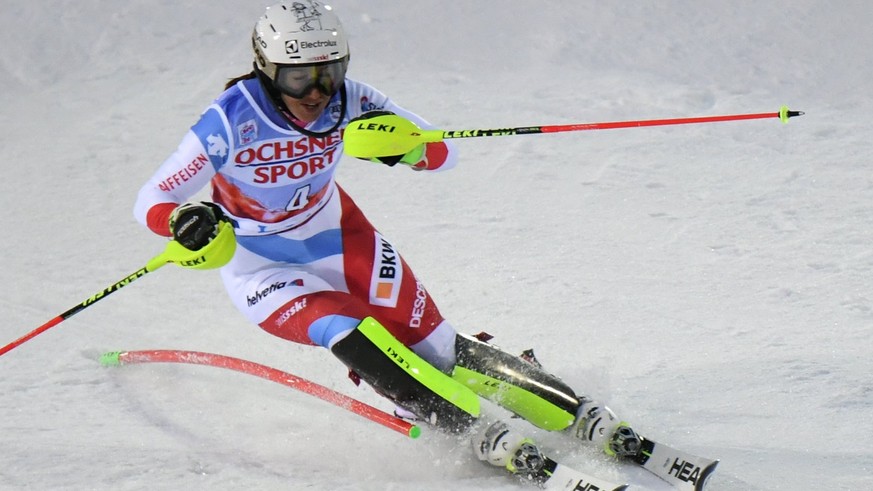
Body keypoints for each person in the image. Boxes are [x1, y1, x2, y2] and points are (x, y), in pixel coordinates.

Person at [134, 1, 642, 481]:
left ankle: (579, 415)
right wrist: (182, 218)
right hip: (260, 267)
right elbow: (151, 198)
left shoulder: (353, 98)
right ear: (265, 67)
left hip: (339, 235)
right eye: (298, 77)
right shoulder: (229, 119)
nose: (316, 92)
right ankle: (477, 433)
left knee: (438, 348)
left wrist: (407, 150)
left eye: (328, 73)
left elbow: (443, 152)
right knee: (350, 329)